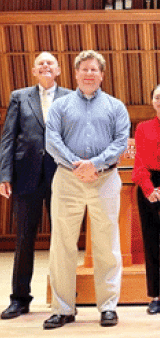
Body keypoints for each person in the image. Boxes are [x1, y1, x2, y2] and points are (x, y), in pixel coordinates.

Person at [43, 50, 130, 329]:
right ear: (76, 74)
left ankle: (107, 306)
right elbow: (52, 139)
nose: (89, 74)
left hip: (105, 179)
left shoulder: (116, 107)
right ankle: (63, 308)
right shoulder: (60, 105)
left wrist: (94, 164)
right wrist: (77, 165)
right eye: (84, 70)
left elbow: (120, 142)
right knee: (62, 244)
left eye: (94, 70)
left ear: (102, 75)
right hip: (67, 179)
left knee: (107, 244)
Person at [0, 53, 70, 320]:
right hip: (25, 175)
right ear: (33, 70)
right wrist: (4, 174)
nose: (45, 66)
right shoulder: (19, 96)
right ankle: (19, 299)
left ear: (59, 70)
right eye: (40, 63)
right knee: (23, 239)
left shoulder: (70, 97)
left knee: (63, 240)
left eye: (50, 63)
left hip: (60, 175)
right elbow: (8, 137)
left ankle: (65, 298)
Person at [132, 84, 160, 315]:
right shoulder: (142, 127)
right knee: (150, 240)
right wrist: (149, 189)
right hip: (147, 183)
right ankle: (154, 295)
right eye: (157, 97)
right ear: (152, 101)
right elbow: (138, 159)